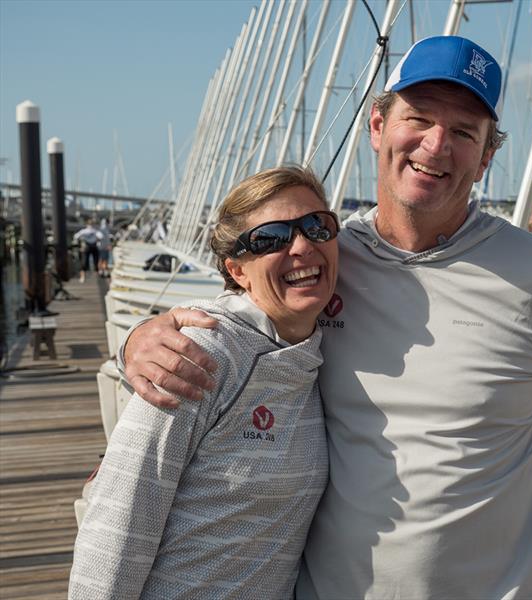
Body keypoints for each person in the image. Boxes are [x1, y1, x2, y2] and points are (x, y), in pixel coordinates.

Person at [121, 36, 532, 599]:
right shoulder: (325, 260)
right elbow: (233, 322)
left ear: (487, 156)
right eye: (418, 118)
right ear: (376, 127)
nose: (437, 145)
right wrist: (137, 342)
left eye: (465, 132)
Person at [69, 166, 338, 598]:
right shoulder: (202, 353)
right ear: (238, 271)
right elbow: (117, 522)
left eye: (317, 226)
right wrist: (134, 344)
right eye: (271, 239)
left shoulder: (316, 352)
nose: (303, 246)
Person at [73, 218, 103, 283]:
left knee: (84, 262)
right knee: (96, 261)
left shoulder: (83, 231)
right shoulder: (95, 231)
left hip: (86, 247)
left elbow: (76, 236)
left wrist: (82, 238)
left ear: (86, 224)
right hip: (94, 247)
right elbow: (101, 236)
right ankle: (97, 278)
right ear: (93, 224)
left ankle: (82, 277)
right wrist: (96, 239)